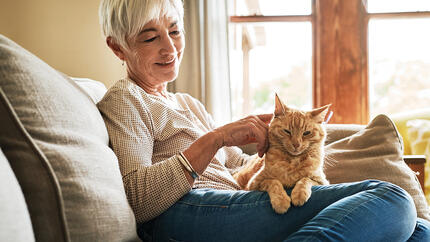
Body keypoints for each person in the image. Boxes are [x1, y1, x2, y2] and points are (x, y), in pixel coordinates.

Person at [97, 0, 430, 241]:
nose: (170, 48)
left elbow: (237, 167)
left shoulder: (186, 103)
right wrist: (216, 138)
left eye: (174, 31)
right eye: (150, 38)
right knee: (392, 199)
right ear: (118, 47)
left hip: (235, 203)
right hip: (185, 212)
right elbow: (138, 200)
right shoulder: (126, 98)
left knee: (418, 229)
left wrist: (275, 146)